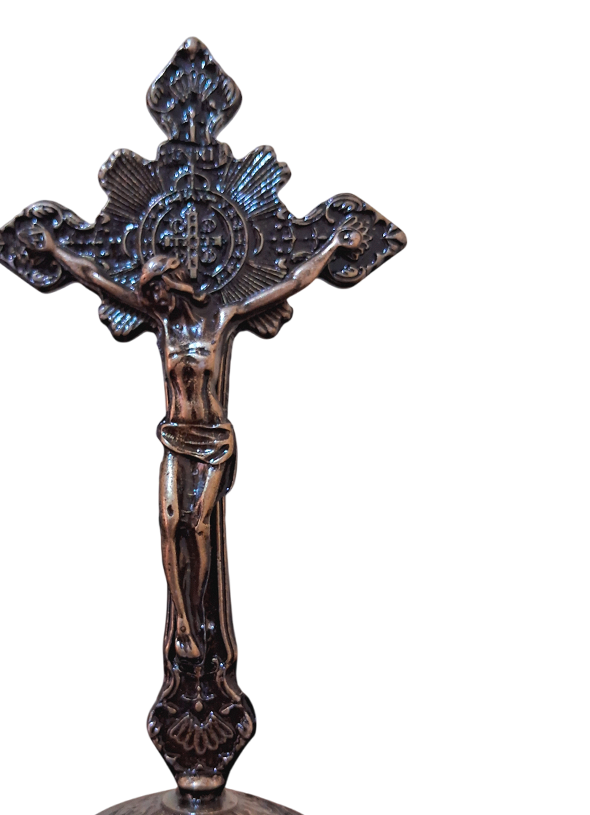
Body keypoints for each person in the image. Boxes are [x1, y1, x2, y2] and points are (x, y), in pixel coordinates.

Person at [23, 217, 365, 659]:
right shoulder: (162, 324)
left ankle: (202, 617)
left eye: (156, 290)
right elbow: (95, 277)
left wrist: (333, 246)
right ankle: (183, 623)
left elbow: (291, 282)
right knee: (170, 523)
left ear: (174, 284)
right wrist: (54, 250)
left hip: (213, 440)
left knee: (197, 524)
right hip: (176, 436)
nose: (152, 299)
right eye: (148, 293)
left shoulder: (221, 319)